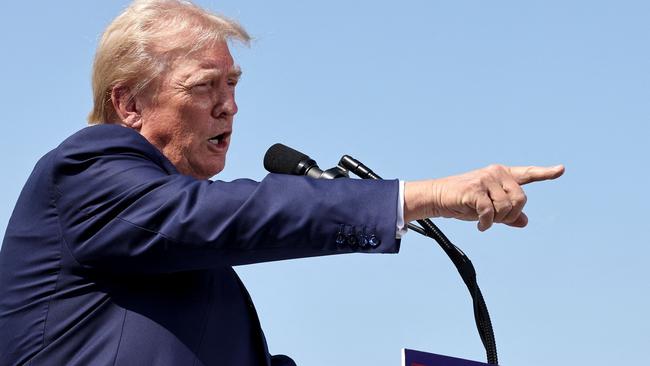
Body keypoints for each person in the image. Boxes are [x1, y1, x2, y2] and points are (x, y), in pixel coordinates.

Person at [0, 1, 564, 365]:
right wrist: (422, 196)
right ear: (128, 103)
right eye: (205, 87)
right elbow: (231, 215)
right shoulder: (86, 171)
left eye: (234, 85)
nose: (230, 108)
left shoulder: (193, 269)